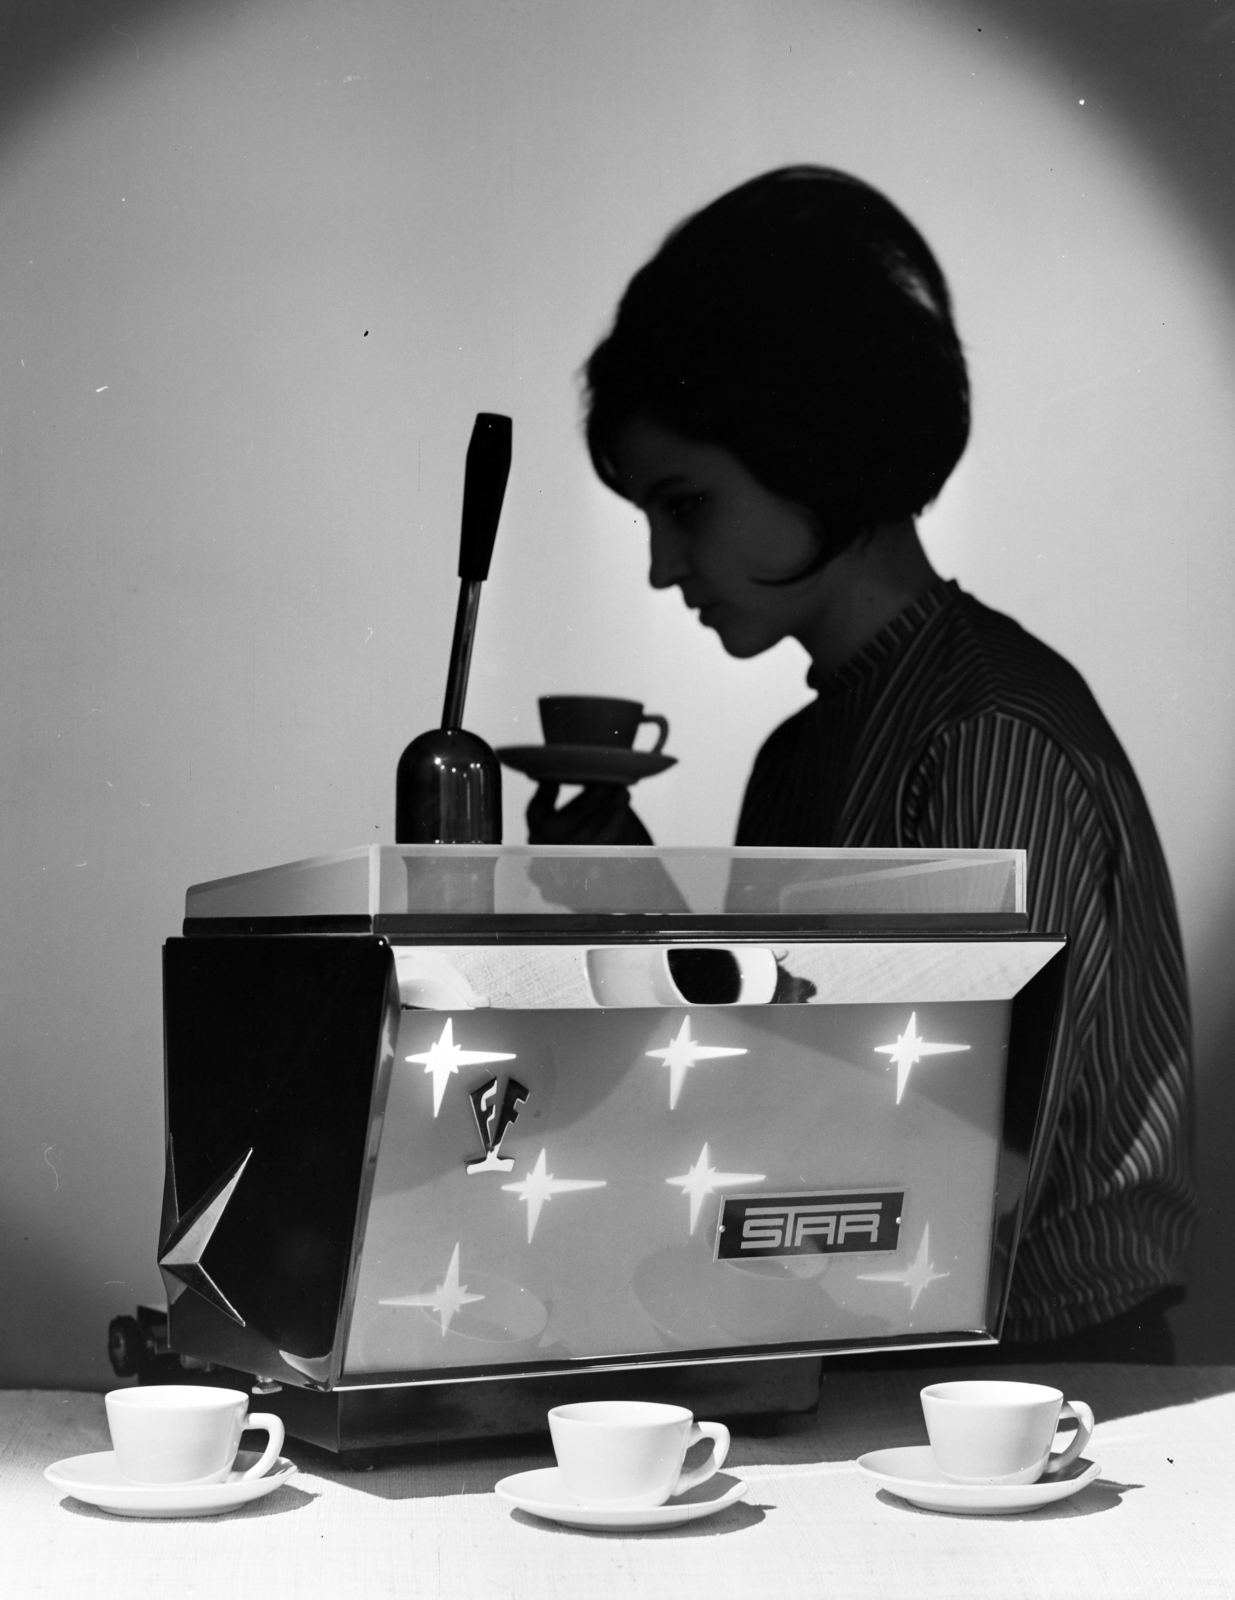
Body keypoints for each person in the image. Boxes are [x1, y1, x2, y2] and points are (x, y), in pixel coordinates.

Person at [530, 166, 1197, 1357]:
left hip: (1045, 1379)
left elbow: (942, 1168)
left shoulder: (987, 735)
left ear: (813, 445)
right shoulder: (802, 752)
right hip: (881, 1352)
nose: (659, 568)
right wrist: (640, 925)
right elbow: (803, 1093)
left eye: (684, 506)